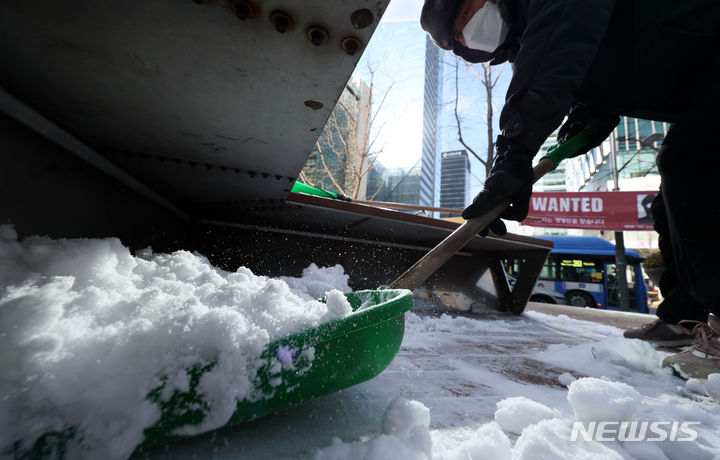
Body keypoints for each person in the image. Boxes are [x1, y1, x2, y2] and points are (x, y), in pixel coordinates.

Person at [421, 0, 720, 379]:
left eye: (465, 15)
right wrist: (591, 112)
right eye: (460, 36)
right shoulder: (527, 38)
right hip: (699, 79)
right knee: (672, 198)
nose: (468, 32)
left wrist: (514, 154)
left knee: (693, 164)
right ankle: (685, 318)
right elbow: (590, 53)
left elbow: (558, 47)